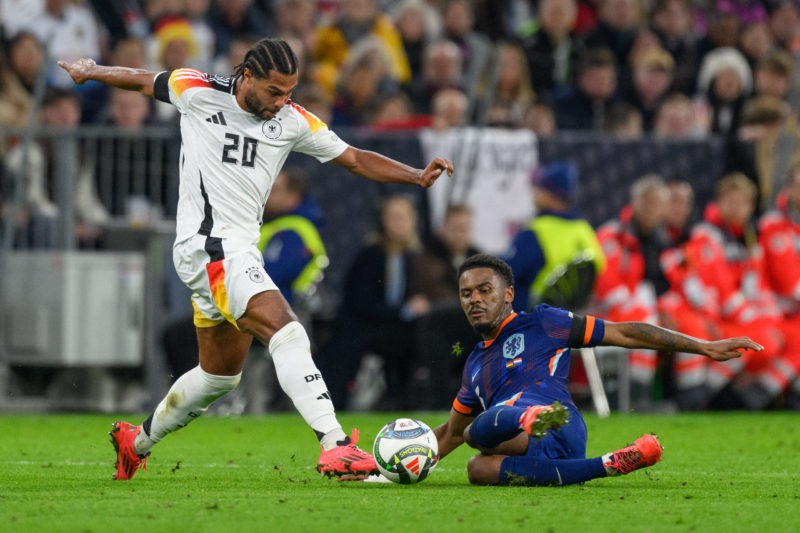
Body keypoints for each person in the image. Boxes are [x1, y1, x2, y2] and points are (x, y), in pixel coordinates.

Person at [58, 37, 454, 481]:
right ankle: (335, 443)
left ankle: (137, 442)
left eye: (290, 92)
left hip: (233, 251)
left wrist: (415, 176)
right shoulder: (196, 89)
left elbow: (356, 158)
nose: (283, 102)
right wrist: (91, 71)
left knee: (219, 375)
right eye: (275, 92)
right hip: (209, 245)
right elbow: (141, 80)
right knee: (286, 330)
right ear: (247, 77)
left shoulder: (292, 119)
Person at [431, 254, 762, 486]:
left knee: (476, 432)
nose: (474, 299)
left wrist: (703, 346)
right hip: (532, 447)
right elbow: (449, 435)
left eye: (484, 290)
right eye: (466, 294)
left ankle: (530, 415)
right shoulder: (474, 363)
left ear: (508, 294)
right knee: (478, 468)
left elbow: (624, 332)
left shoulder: (544, 322)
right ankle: (609, 464)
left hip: (562, 423)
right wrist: (387, 465)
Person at [503, 161, 605, 312]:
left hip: (533, 321)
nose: (535, 192)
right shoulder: (585, 230)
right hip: (575, 325)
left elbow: (504, 273)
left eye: (541, 188)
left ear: (553, 195)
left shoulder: (537, 231)